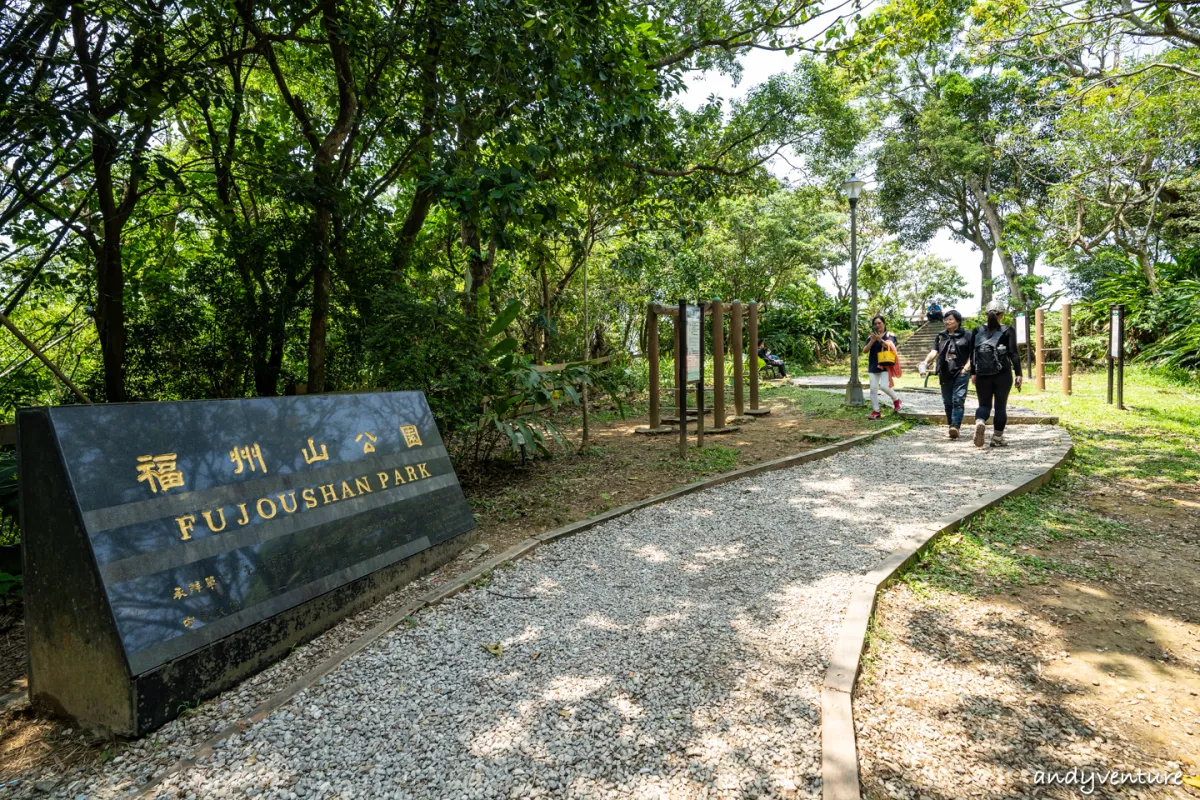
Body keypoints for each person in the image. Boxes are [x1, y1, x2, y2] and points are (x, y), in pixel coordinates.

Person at [970, 299, 1023, 448]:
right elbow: (1014, 354)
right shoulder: (1007, 330)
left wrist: (973, 373)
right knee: (1000, 406)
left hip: (982, 374)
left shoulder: (977, 330)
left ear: (986, 314)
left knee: (984, 404)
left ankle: (980, 422)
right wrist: (1019, 373)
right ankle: (997, 438)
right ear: (1003, 314)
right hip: (1003, 373)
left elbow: (972, 354)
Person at [918, 309, 973, 439]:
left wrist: (966, 368)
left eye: (950, 319)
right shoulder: (941, 336)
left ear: (958, 322)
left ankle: (955, 426)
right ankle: (951, 426)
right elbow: (934, 351)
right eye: (946, 319)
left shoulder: (967, 336)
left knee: (958, 400)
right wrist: (925, 362)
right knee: (948, 402)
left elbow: (973, 354)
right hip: (945, 372)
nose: (947, 322)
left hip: (961, 372)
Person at [863, 315, 901, 419]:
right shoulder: (870, 337)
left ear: (884, 324)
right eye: (875, 324)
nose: (877, 325)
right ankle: (876, 411)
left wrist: (880, 340)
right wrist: (872, 341)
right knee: (873, 389)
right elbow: (865, 350)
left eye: (879, 323)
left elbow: (890, 346)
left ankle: (896, 399)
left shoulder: (889, 335)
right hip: (873, 364)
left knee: (884, 386)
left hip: (886, 364)